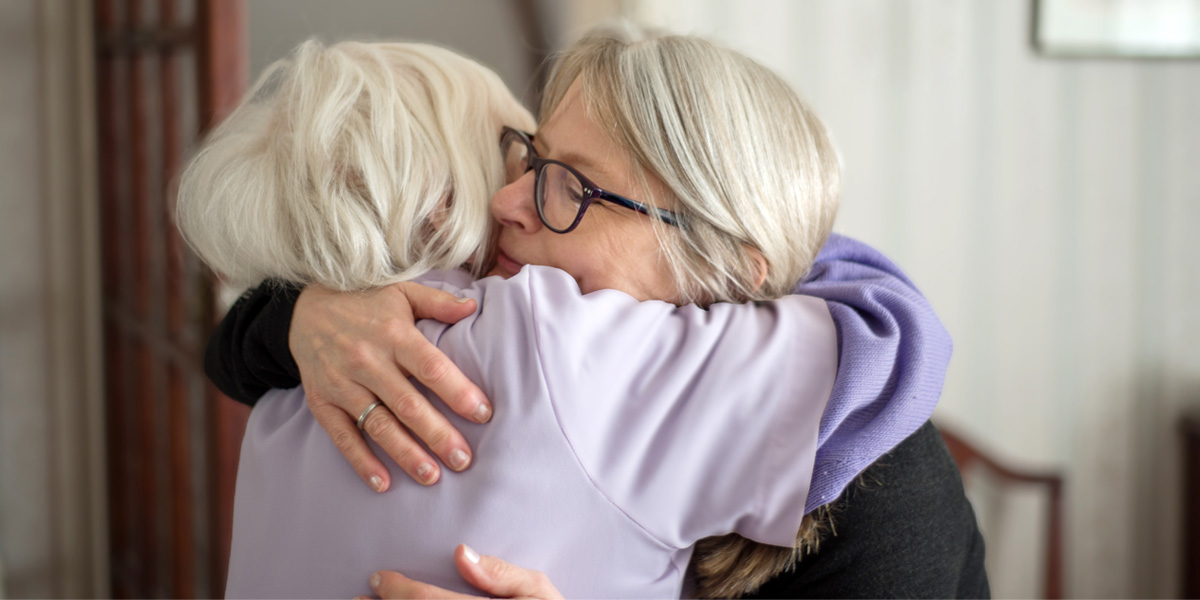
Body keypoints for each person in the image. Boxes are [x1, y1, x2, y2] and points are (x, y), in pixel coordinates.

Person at [191, 27, 986, 599]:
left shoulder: (885, 493)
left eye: (574, 186)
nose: (508, 200)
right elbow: (234, 347)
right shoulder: (474, 332)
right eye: (533, 157)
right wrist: (307, 317)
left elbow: (887, 336)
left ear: (717, 269)